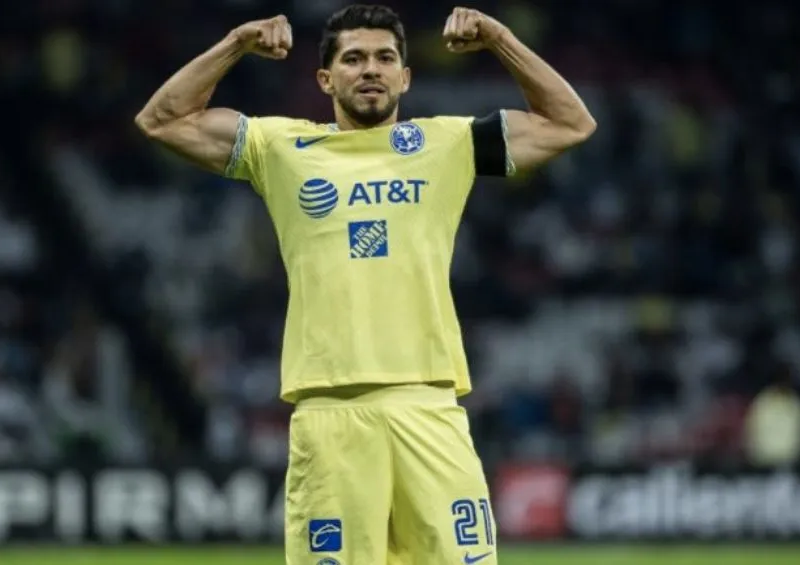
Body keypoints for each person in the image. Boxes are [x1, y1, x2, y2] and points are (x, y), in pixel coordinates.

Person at [135, 5, 595, 564]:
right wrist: (234, 43)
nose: (370, 69)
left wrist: (500, 39)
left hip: (428, 408)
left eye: (385, 58)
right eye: (353, 59)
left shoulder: (448, 144)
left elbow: (571, 122)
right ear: (325, 79)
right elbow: (162, 120)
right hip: (331, 415)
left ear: (406, 76)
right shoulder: (282, 148)